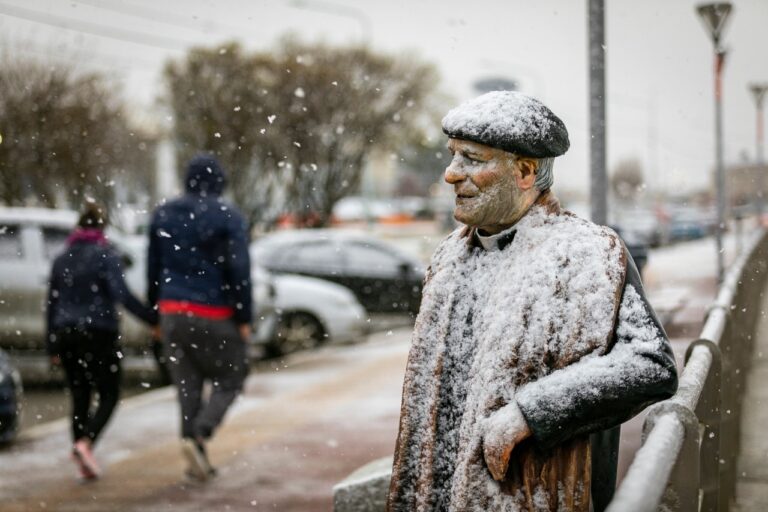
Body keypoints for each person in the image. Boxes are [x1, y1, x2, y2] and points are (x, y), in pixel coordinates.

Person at [387, 91, 678, 512]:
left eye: (471, 159)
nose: (451, 174)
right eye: (453, 157)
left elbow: (650, 364)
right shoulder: (448, 257)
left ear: (525, 171)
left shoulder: (592, 254)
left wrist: (529, 415)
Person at [147, 154, 252, 482]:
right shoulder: (228, 215)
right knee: (233, 376)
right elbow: (239, 269)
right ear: (219, 181)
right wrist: (244, 315)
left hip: (172, 311)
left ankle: (195, 456)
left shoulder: (163, 214)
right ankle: (200, 433)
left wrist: (156, 311)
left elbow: (153, 268)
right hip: (214, 311)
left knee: (187, 386)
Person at [46, 202, 156, 481]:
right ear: (102, 229)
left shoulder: (62, 259)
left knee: (79, 394)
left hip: (66, 333)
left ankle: (81, 450)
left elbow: (51, 303)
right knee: (109, 393)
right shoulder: (106, 256)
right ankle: (87, 443)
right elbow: (121, 294)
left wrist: (52, 344)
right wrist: (152, 318)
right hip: (99, 333)